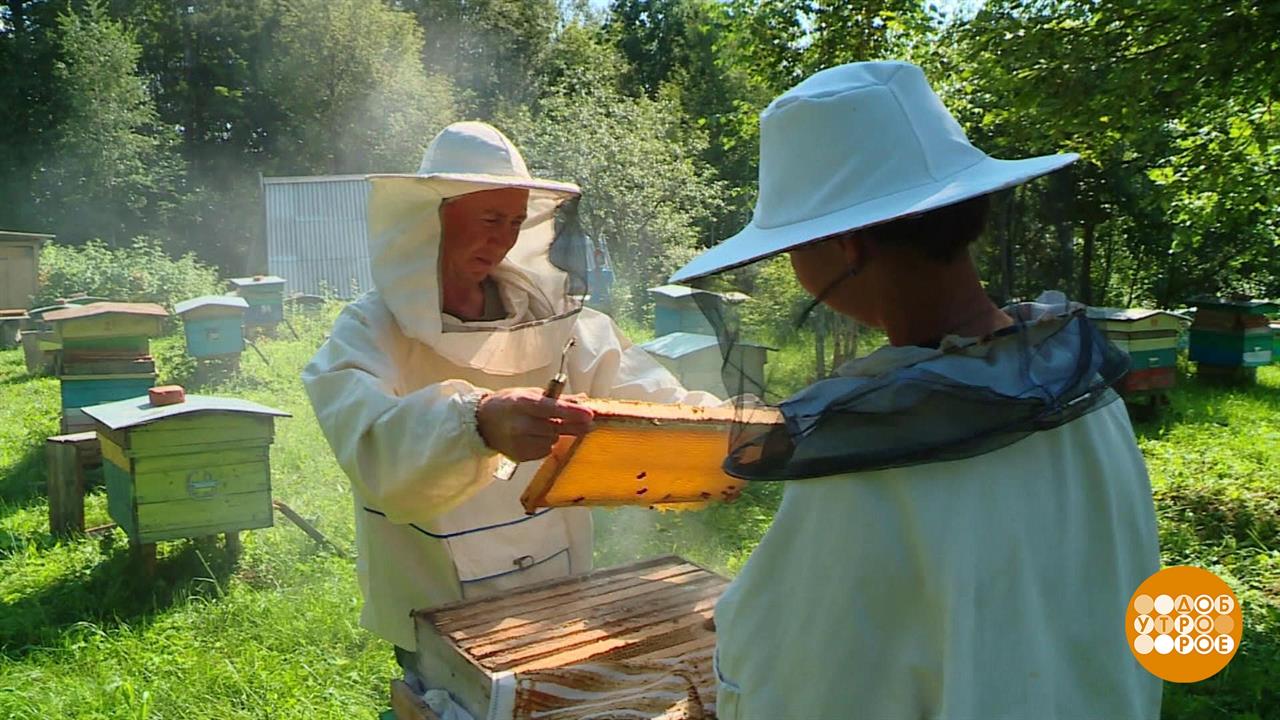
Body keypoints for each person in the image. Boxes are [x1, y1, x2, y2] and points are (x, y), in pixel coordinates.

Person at [670, 62, 1162, 719]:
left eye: (792, 244)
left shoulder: (870, 455)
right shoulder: (1082, 389)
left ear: (844, 244)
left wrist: (741, 628)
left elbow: (785, 686)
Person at [302, 121, 715, 686]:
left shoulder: (555, 319)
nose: (501, 241)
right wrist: (475, 423)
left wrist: (730, 427)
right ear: (435, 218)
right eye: (490, 220)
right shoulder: (370, 328)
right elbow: (370, 442)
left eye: (515, 223)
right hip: (434, 596)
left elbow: (653, 398)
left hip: (551, 585)